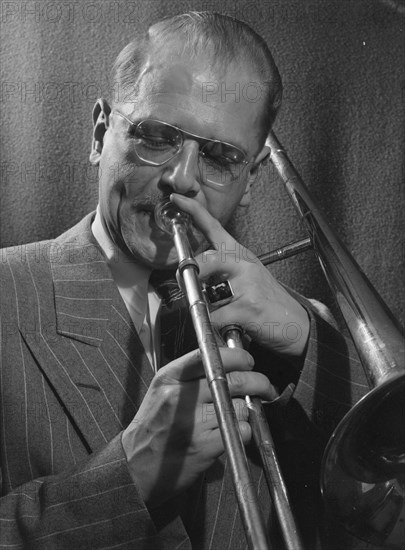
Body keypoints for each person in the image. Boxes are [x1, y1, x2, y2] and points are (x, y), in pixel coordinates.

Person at [0, 11, 370, 550]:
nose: (182, 178)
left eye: (221, 157)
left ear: (249, 182)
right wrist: (125, 481)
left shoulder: (309, 332)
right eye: (157, 137)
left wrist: (311, 345)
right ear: (101, 132)